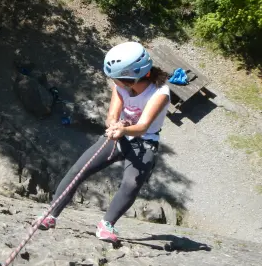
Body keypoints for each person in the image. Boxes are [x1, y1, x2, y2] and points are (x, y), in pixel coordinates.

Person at [38, 41, 171, 242]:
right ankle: (51, 215)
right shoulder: (121, 88)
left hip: (144, 143)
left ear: (130, 77)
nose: (113, 82)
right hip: (118, 135)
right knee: (79, 170)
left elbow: (143, 126)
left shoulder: (160, 93)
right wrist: (113, 125)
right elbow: (111, 115)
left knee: (131, 183)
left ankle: (107, 224)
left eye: (116, 78)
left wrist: (123, 129)